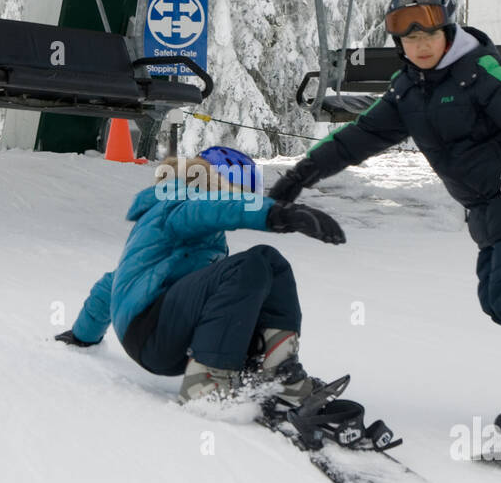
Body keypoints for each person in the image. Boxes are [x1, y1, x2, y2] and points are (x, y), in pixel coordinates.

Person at [270, 0, 501, 431]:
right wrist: (301, 174)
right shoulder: (409, 91)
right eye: (409, 39)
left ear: (448, 29)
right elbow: (359, 137)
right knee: (497, 297)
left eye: (428, 35)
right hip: (486, 208)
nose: (420, 46)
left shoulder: (480, 71)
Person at [55, 146, 347, 406]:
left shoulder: (174, 235)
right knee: (250, 265)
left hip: (164, 338)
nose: (239, 199)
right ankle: (206, 384)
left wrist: (82, 336)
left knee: (269, 262)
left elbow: (110, 286)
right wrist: (278, 214)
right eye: (236, 192)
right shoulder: (179, 204)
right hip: (153, 334)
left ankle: (278, 371)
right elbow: (213, 210)